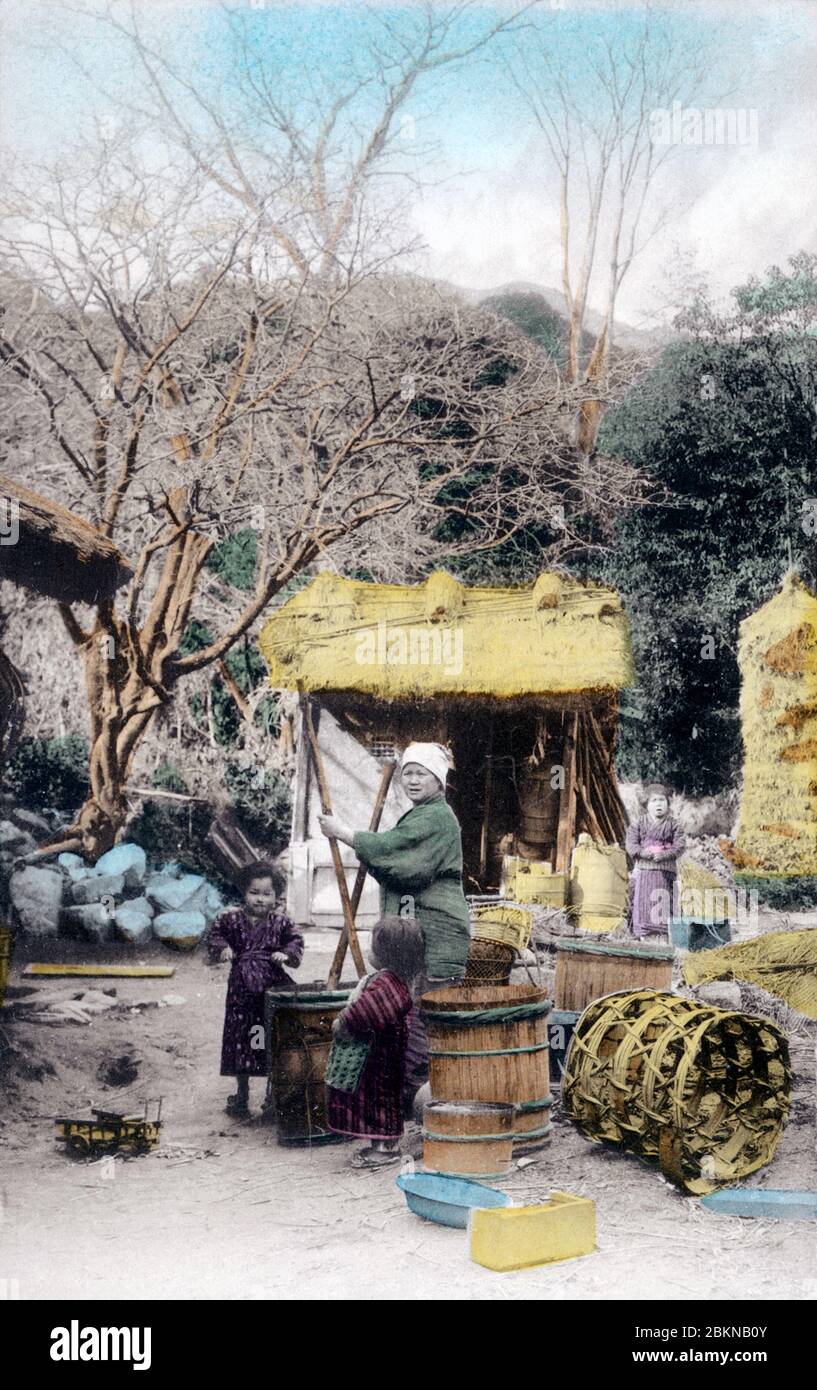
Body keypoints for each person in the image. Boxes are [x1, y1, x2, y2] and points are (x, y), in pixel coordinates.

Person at [318, 741, 470, 1110]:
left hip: (438, 932)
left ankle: (420, 1104)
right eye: (408, 774)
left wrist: (344, 833)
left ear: (439, 780)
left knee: (422, 1017)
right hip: (424, 932)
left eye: (422, 774)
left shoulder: (436, 817)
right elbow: (392, 855)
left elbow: (401, 858)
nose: (413, 780)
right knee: (412, 1013)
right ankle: (410, 1102)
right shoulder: (422, 814)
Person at [326, 915, 425, 1168]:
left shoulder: (387, 985)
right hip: (381, 1057)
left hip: (380, 1060)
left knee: (379, 1102)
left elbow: (366, 1011)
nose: (370, 951)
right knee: (377, 1101)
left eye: (373, 947)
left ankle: (385, 1148)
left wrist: (344, 1022)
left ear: (387, 955)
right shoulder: (393, 981)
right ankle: (380, 1144)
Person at [207, 860, 304, 1118]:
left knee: (271, 1041)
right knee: (241, 1041)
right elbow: (216, 935)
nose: (260, 899)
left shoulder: (281, 923)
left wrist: (286, 953)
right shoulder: (230, 919)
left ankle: (273, 1096)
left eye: (266, 894)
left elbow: (295, 941)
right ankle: (241, 1093)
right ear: (243, 892)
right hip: (241, 994)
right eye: (254, 893)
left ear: (276, 896)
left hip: (270, 992)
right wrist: (223, 948)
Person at [625, 783, 685, 940]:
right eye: (654, 801)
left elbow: (680, 846)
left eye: (662, 800)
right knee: (642, 901)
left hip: (666, 870)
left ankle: (664, 934)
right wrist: (642, 853)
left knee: (663, 901)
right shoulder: (639, 824)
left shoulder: (674, 825)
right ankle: (643, 933)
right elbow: (631, 844)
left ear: (668, 803)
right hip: (644, 868)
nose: (658, 804)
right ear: (646, 805)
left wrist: (665, 855)